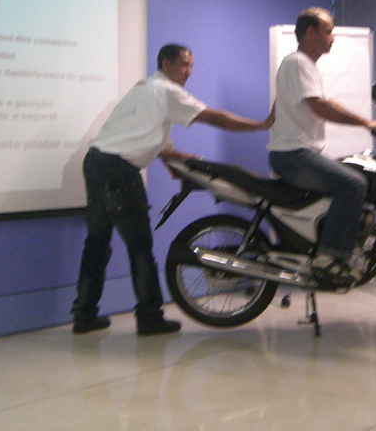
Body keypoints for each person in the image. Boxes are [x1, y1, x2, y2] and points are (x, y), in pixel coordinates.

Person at [72, 44, 274, 335]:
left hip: (96, 164)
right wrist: (261, 125)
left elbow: (142, 137)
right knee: (140, 248)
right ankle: (150, 317)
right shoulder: (168, 91)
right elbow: (214, 117)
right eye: (184, 65)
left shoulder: (143, 87)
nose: (189, 72)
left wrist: (180, 161)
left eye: (191, 66)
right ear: (166, 64)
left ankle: (84, 315)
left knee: (96, 244)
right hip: (118, 171)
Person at [267, 7, 376, 280]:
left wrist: (368, 124)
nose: (333, 37)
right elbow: (321, 107)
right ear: (310, 32)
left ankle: (325, 247)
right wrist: (368, 123)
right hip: (293, 155)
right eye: (329, 31)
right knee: (353, 184)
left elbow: (322, 103)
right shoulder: (298, 62)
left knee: (354, 174)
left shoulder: (303, 65)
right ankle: (329, 258)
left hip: (298, 152)